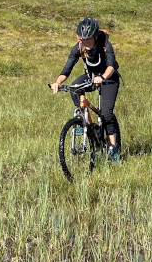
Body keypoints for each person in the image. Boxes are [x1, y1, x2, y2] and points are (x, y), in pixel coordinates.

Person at [50, 17, 121, 162]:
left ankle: (113, 149)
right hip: (91, 77)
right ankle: (84, 122)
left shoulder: (105, 43)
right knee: (75, 88)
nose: (86, 42)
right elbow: (67, 69)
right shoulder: (78, 48)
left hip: (109, 78)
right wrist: (57, 82)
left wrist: (102, 77)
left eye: (89, 39)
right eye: (83, 39)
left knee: (106, 114)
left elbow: (111, 65)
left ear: (95, 36)